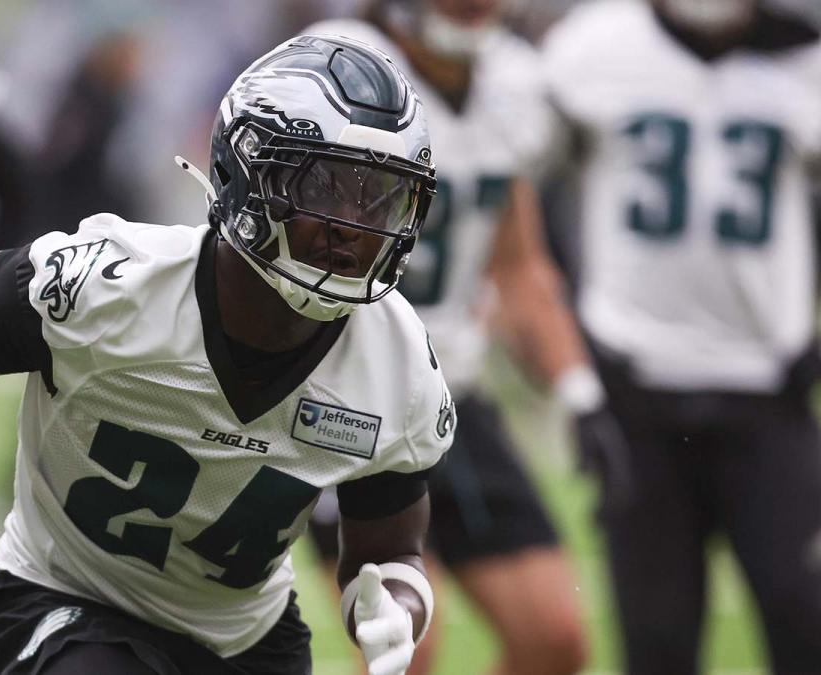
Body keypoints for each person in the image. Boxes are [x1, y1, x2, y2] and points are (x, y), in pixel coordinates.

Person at [0, 34, 457, 675]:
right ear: (251, 173)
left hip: (245, 638)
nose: (357, 227)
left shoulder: (396, 360)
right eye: (328, 189)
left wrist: (396, 605)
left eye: (383, 197)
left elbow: (389, 549)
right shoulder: (111, 287)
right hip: (66, 594)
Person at [302, 2, 626, 673]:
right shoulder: (338, 65)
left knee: (553, 636)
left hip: (453, 395)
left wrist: (578, 390)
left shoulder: (516, 81)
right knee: (404, 649)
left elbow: (518, 263)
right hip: (348, 395)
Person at [542, 1, 821, 673]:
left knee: (806, 620)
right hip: (638, 395)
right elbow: (525, 191)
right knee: (658, 643)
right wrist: (576, 331)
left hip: (768, 391)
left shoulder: (803, 56)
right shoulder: (590, 47)